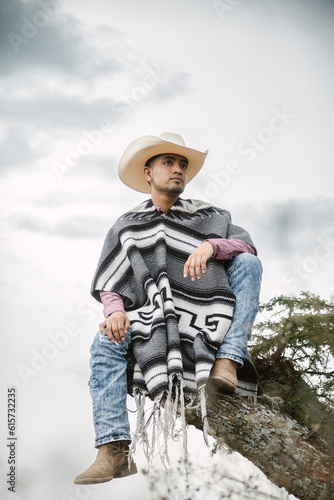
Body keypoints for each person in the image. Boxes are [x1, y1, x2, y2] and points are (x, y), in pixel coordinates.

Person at [74, 132, 262, 485]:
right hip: (155, 315)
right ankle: (114, 449)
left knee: (250, 265)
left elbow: (247, 248)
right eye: (168, 163)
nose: (178, 170)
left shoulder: (210, 215)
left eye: (182, 165)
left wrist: (211, 246)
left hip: (208, 311)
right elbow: (110, 283)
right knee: (104, 343)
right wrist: (113, 312)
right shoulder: (127, 225)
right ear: (148, 173)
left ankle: (228, 361)